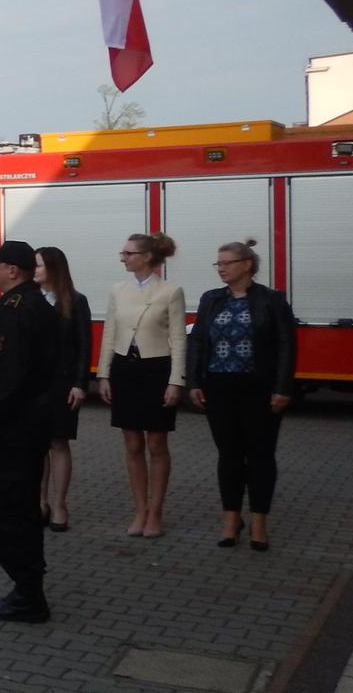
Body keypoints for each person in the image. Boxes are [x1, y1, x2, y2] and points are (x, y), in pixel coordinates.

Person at [0, 240, 62, 624]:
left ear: (12, 270)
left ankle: (28, 594)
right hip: (27, 425)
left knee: (8, 511)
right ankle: (26, 588)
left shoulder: (16, 311)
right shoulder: (32, 305)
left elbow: (8, 377)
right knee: (19, 508)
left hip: (13, 429)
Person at [187, 240, 297, 552]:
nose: (221, 268)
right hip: (219, 387)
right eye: (218, 263)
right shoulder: (211, 299)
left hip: (259, 388)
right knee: (229, 455)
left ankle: (259, 521)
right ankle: (231, 518)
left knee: (260, 455)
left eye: (227, 263)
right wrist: (194, 381)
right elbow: (197, 342)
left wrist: (282, 387)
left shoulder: (271, 300)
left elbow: (286, 345)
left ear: (247, 265)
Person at [96, 232, 186, 538]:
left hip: (156, 369)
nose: (122, 257)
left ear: (147, 257)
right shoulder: (117, 290)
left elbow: (178, 338)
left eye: (128, 253)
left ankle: (156, 511)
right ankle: (140, 510)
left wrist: (176, 380)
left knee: (156, 444)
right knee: (132, 444)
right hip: (125, 369)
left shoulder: (170, 291)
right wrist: (104, 375)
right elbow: (110, 333)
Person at [35, 247, 91, 533]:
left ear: (54, 269)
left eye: (39, 265)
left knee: (58, 443)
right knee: (37, 445)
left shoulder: (75, 302)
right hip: (34, 386)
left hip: (62, 384)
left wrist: (80, 384)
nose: (34, 270)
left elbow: (84, 346)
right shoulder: (29, 300)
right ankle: (39, 503)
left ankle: (59, 505)